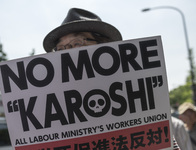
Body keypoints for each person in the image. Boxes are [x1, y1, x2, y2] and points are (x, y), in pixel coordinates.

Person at [43, 7, 180, 150]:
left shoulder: (144, 110)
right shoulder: (50, 117)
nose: (67, 54)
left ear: (106, 48)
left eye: (77, 43)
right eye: (60, 49)